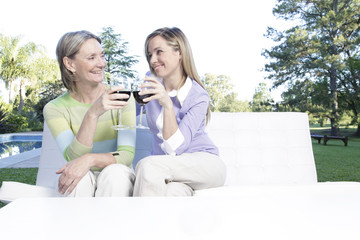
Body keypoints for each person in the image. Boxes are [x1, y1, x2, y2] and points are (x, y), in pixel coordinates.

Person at [133, 27, 226, 196]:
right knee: (172, 192)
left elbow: (176, 147)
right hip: (169, 170)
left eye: (159, 52)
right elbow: (132, 112)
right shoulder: (151, 80)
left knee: (148, 165)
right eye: (149, 55)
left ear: (179, 53)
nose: (153, 60)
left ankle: (141, 221)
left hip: (203, 164)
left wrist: (167, 104)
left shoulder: (198, 96)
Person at [43, 30, 136, 197]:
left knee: (114, 174)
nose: (101, 63)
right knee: (79, 179)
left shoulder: (122, 98)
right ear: (70, 64)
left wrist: (90, 159)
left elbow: (126, 155)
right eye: (91, 58)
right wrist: (93, 113)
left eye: (102, 55)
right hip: (81, 175)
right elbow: (74, 158)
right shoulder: (55, 108)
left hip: (117, 175)